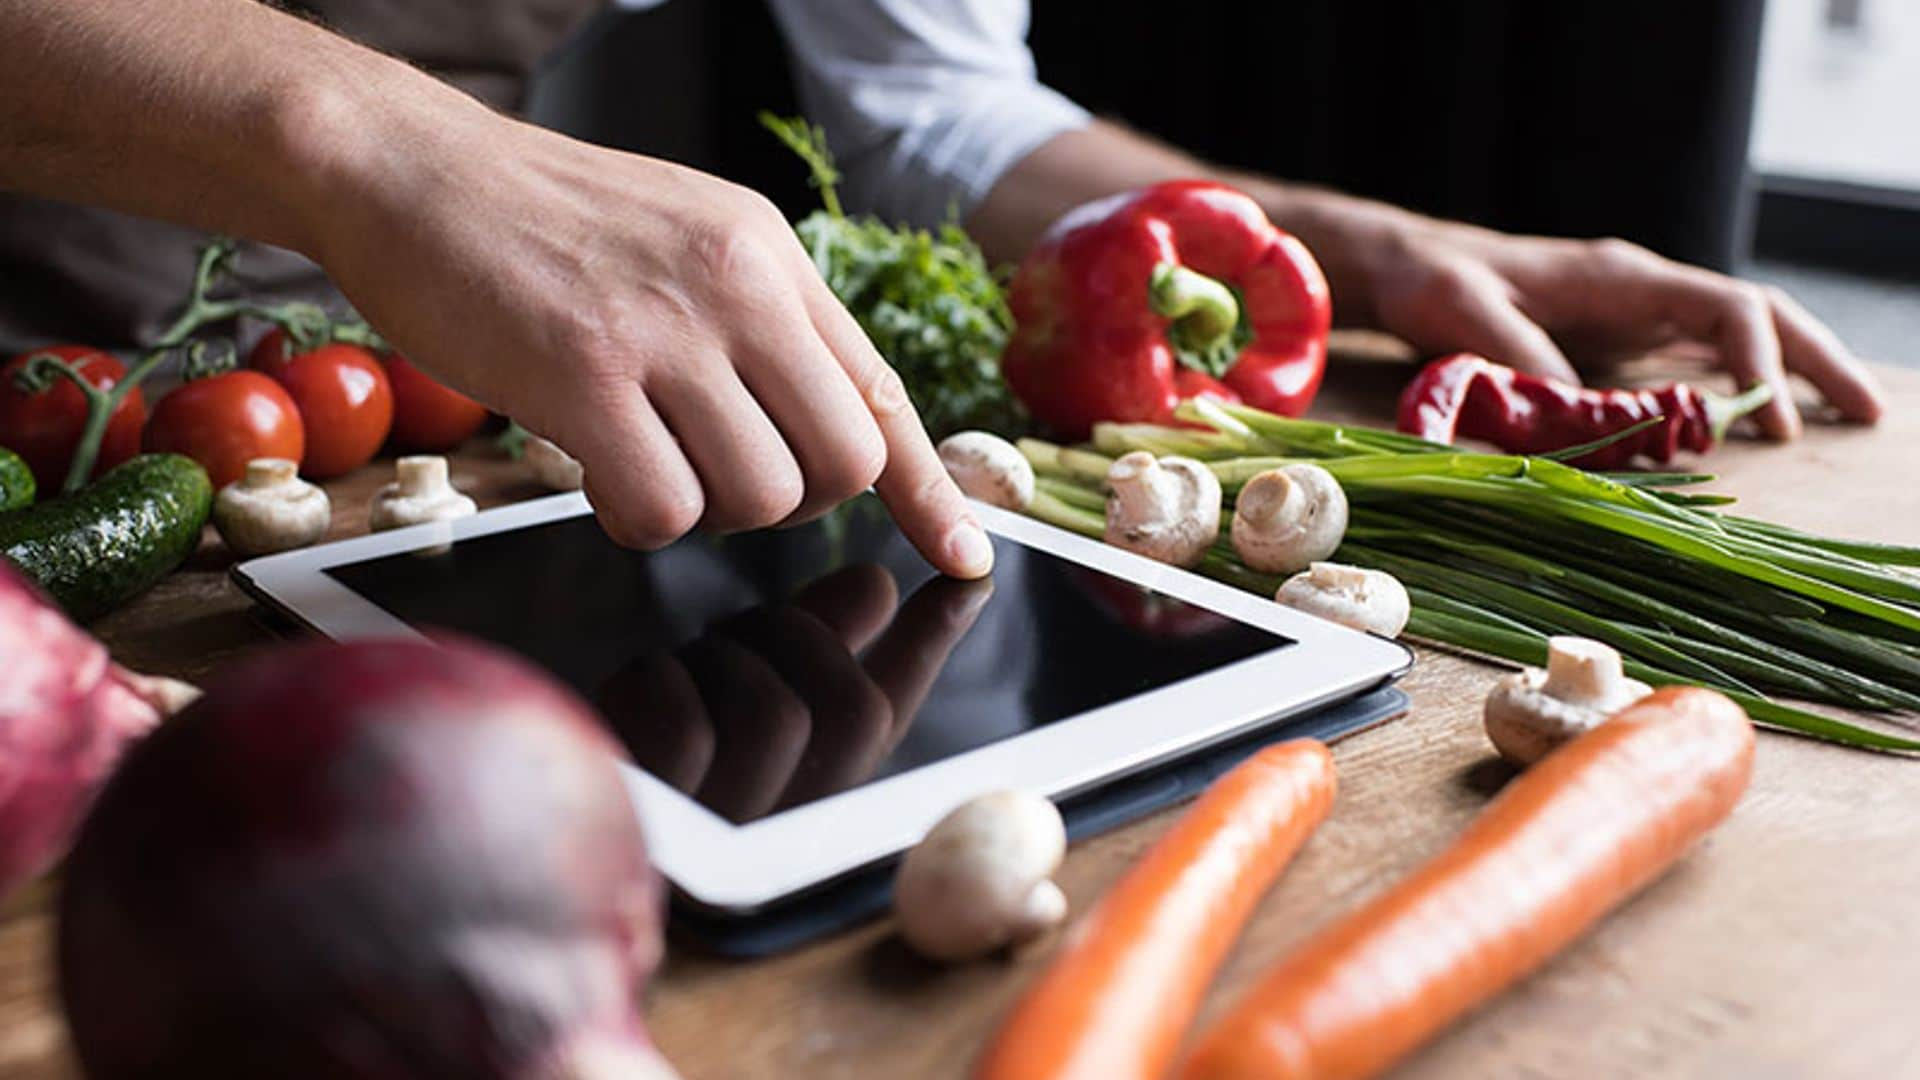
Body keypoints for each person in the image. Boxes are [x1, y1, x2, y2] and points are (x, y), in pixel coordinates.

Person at [0, 1, 1883, 582]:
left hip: (426, 405)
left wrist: (1341, 235)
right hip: (44, 396)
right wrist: (385, 148)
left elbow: (924, 97)